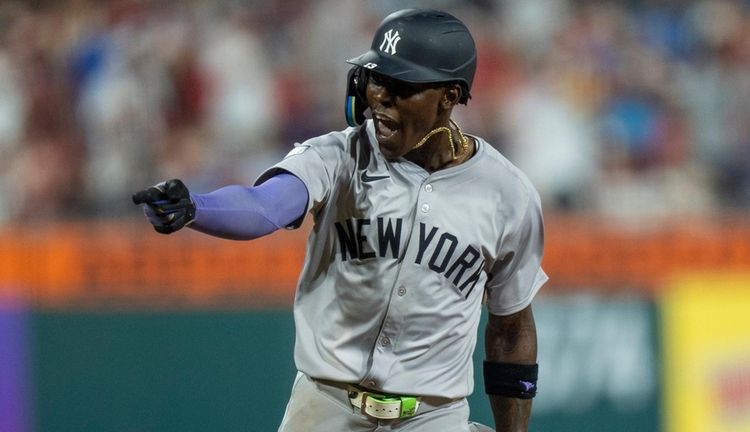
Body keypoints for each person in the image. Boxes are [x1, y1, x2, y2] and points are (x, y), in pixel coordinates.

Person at [133, 8, 547, 432]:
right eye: (376, 78)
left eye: (402, 85)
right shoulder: (338, 156)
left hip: (432, 417)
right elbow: (264, 206)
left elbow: (511, 330)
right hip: (326, 406)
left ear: (450, 96)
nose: (380, 96)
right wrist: (196, 207)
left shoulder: (507, 194)